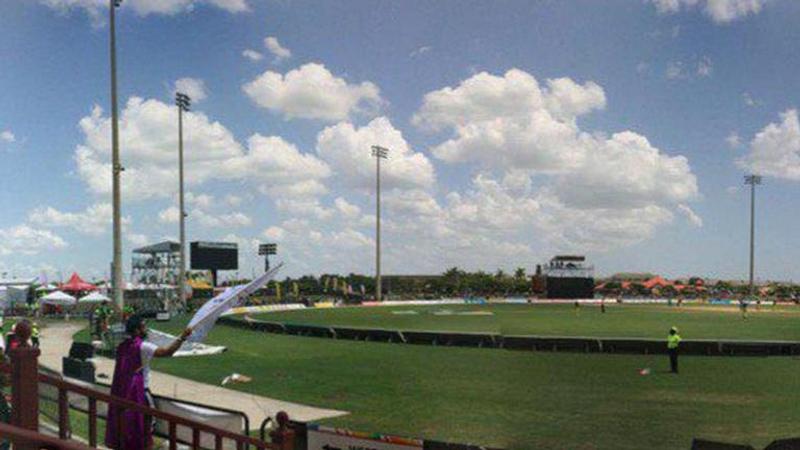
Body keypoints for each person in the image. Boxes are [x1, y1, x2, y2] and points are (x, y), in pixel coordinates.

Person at [105, 315, 192, 450]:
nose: (146, 329)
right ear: (136, 330)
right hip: (140, 393)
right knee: (144, 427)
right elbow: (167, 352)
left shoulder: (122, 346)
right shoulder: (143, 346)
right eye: (143, 326)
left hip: (122, 392)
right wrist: (183, 337)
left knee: (126, 427)